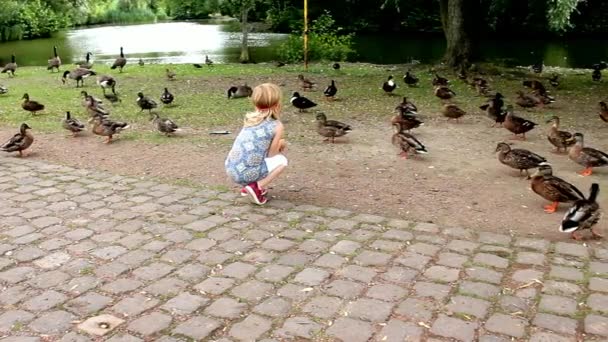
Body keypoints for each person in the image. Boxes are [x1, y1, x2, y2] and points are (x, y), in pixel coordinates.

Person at [225, 83, 288, 205]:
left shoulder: (250, 119)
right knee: (282, 161)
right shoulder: (276, 126)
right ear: (277, 104)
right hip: (246, 173)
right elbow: (271, 154)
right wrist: (280, 144)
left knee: (255, 155)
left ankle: (248, 186)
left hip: (231, 168)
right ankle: (256, 186)